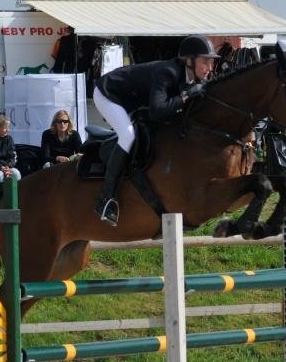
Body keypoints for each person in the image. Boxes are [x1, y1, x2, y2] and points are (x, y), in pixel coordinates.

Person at [92, 34, 218, 225]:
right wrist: (184, 97)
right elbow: (157, 110)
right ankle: (106, 200)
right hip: (108, 93)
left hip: (131, 100)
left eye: (211, 62)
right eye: (205, 62)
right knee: (128, 135)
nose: (210, 68)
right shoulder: (168, 72)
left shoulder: (192, 79)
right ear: (189, 61)